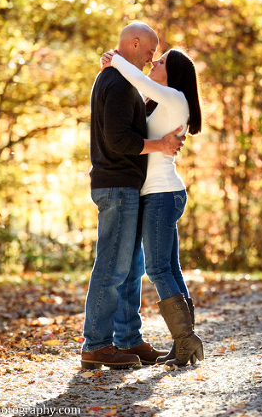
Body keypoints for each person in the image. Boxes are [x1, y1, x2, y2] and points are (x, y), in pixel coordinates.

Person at [81, 22, 185, 370]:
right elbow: (118, 140)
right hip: (118, 185)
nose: (151, 58)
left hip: (125, 185)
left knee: (128, 268)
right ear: (135, 43)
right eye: (150, 51)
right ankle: (96, 344)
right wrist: (160, 145)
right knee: (113, 267)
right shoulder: (119, 81)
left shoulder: (115, 79)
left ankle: (128, 339)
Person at [100, 45, 204, 367]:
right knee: (169, 268)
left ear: (172, 74)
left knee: (158, 268)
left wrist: (115, 60)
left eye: (160, 61)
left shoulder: (175, 98)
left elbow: (139, 81)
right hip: (161, 194)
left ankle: (186, 342)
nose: (153, 63)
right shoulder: (162, 102)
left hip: (161, 195)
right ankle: (183, 341)